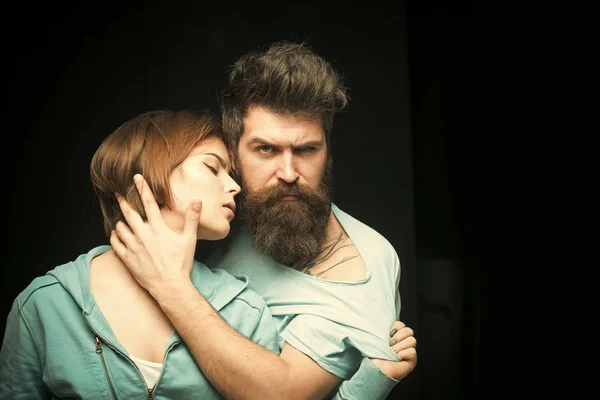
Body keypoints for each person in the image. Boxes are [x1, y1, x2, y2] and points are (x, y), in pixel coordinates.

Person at [111, 41, 417, 399]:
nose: (288, 173)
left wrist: (171, 288)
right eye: (266, 149)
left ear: (328, 153)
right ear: (232, 153)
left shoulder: (359, 274)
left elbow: (280, 395)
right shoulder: (219, 205)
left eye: (306, 150)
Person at [0, 109, 281, 399]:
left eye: (231, 174)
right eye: (213, 167)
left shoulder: (243, 310)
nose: (235, 187)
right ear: (150, 168)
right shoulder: (46, 304)